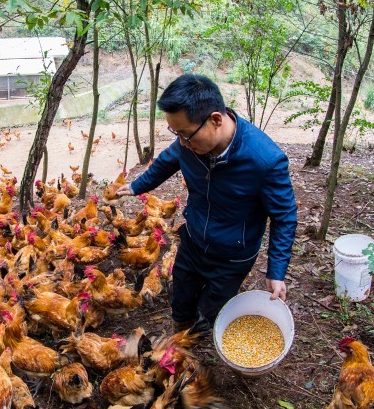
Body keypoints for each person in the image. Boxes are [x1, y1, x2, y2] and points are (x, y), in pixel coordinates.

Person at [117, 74, 298, 331]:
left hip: (232, 255)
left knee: (213, 309)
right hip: (193, 240)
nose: (180, 142)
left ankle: (200, 336)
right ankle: (180, 332)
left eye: (186, 135)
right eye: (175, 133)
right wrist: (137, 186)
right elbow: (167, 161)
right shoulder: (189, 144)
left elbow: (284, 217)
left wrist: (276, 271)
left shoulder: (265, 160)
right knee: (181, 300)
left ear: (215, 119)